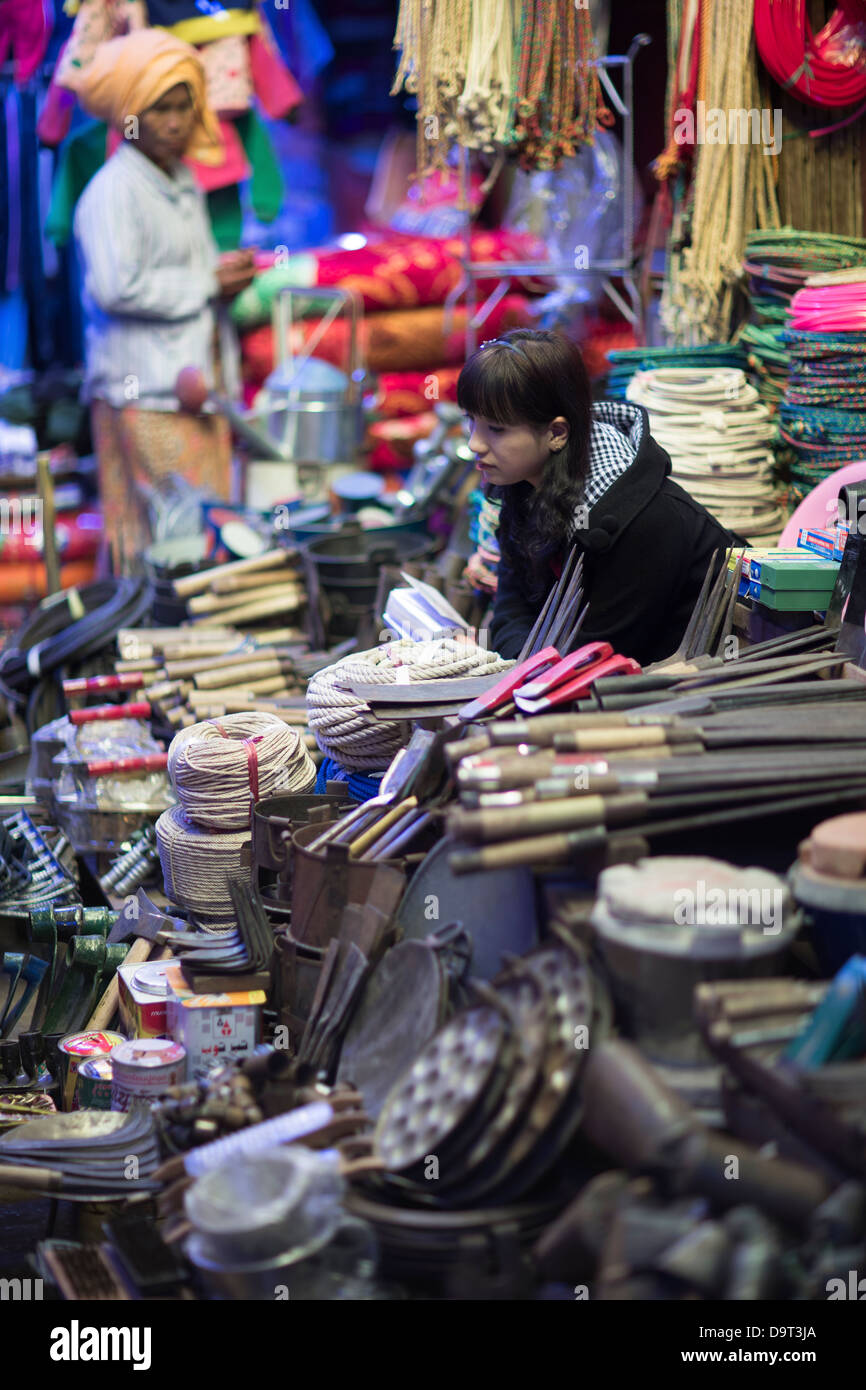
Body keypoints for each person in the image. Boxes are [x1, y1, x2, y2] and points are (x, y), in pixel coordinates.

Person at [68, 29, 256, 571]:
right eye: (159, 110)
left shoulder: (182, 180)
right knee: (171, 536)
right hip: (145, 391)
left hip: (191, 382)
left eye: (183, 107)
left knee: (190, 530)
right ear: (129, 113)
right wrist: (206, 284)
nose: (175, 123)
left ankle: (178, 638)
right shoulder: (112, 192)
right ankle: (153, 641)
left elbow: (179, 269)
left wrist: (220, 273)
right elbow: (115, 286)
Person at [457, 329, 737, 664]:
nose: (475, 444)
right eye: (471, 421)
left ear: (556, 433)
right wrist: (525, 664)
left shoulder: (639, 520)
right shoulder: (524, 483)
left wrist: (525, 668)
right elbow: (512, 602)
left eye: (497, 429)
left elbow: (603, 651)